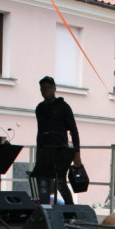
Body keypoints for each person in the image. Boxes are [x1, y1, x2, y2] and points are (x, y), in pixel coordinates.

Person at [34, 75, 81, 205]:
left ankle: (71, 211)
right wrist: (39, 153)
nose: (46, 90)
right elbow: (40, 132)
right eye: (43, 88)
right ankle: (45, 214)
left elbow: (73, 130)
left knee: (60, 182)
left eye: (49, 87)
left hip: (60, 150)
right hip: (44, 151)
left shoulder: (63, 107)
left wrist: (76, 153)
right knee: (43, 183)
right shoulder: (39, 108)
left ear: (54, 88)